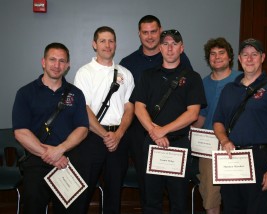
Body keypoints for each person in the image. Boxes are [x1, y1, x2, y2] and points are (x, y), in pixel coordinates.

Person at [119, 14, 193, 207]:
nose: (150, 36)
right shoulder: (128, 63)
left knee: (177, 191)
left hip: (175, 135)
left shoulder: (181, 59)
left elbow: (188, 100)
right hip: (140, 133)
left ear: (160, 32)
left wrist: (164, 130)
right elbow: (131, 104)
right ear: (139, 34)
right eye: (145, 32)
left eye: (154, 31)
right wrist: (154, 131)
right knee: (148, 187)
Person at [213, 38, 267, 214]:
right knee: (231, 208)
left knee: (257, 209)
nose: (249, 59)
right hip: (232, 158)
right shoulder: (229, 89)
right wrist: (225, 141)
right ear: (239, 59)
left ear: (262, 57)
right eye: (245, 55)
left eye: (254, 55)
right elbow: (218, 122)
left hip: (260, 159)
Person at [134, 29, 207, 214]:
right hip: (152, 144)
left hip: (179, 145)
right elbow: (138, 107)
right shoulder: (148, 75)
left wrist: (163, 130)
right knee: (151, 201)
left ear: (181, 48)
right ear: (159, 48)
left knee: (179, 202)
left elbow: (193, 114)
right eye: (165, 44)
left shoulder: (192, 77)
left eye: (174, 44)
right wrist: (154, 132)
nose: (169, 48)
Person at [12, 42, 89, 214]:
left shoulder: (76, 94)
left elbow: (83, 128)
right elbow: (21, 132)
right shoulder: (25, 93)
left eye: (62, 61)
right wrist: (51, 156)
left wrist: (60, 150)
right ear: (43, 62)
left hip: (68, 161)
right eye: (52, 59)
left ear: (68, 65)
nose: (57, 65)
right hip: (37, 160)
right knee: (33, 206)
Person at [74, 26, 135, 214]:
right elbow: (84, 108)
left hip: (119, 138)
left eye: (111, 41)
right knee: (83, 190)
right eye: (102, 41)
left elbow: (129, 107)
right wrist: (105, 135)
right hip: (92, 138)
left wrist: (118, 135)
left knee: (114, 192)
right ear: (94, 44)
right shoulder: (84, 72)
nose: (107, 45)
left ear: (115, 44)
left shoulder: (125, 73)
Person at [192, 37, 241, 214]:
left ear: (229, 57)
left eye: (221, 53)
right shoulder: (203, 83)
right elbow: (202, 117)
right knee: (210, 194)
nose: (217, 57)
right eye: (212, 54)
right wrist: (188, 134)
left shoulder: (242, 80)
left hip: (237, 143)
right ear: (208, 58)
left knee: (237, 193)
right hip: (209, 146)